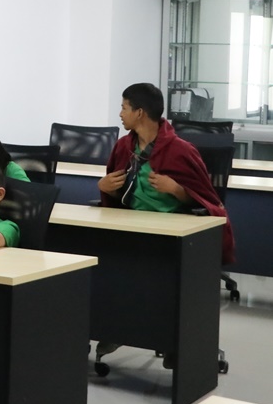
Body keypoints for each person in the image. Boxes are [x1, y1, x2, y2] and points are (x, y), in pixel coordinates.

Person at [95, 83, 236, 362]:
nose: (120, 114)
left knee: (160, 282)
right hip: (131, 227)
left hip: (173, 234)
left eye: (124, 108)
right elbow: (115, 190)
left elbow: (206, 200)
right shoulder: (124, 146)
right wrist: (103, 186)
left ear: (139, 112)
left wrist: (176, 189)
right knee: (111, 271)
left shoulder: (181, 150)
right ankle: (117, 327)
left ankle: (174, 341)